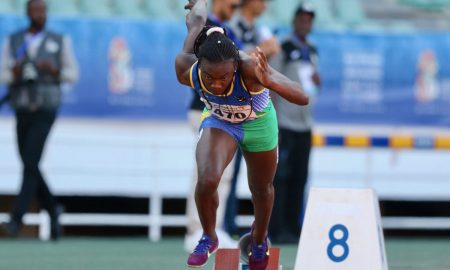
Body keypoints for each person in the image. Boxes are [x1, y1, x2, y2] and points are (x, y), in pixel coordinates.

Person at [176, 0, 308, 268]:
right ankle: (209, 236)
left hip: (258, 123)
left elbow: (302, 95)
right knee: (207, 179)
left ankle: (259, 240)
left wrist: (269, 81)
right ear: (199, 64)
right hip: (220, 121)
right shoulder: (186, 68)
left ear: (234, 66)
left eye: (223, 78)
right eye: (209, 77)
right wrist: (200, 3)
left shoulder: (249, 68)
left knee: (261, 188)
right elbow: (197, 21)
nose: (216, 83)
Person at [0, 0, 79, 240]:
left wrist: (53, 70)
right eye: (36, 10)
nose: (40, 15)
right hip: (22, 107)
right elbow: (3, 73)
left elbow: (72, 74)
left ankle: (15, 221)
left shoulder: (59, 40)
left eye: (43, 10)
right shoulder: (14, 40)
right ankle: (53, 209)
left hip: (46, 108)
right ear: (27, 13)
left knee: (30, 161)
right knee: (29, 163)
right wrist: (13, 72)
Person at [184, 0, 242, 252]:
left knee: (223, 174)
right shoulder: (207, 26)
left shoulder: (230, 29)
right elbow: (195, 27)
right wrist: (200, 10)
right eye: (233, 1)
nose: (237, 4)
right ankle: (196, 229)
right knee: (205, 171)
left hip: (225, 111)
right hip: (205, 109)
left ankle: (212, 228)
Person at [224, 0, 281, 237]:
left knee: (254, 175)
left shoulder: (256, 27)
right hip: (231, 105)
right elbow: (228, 60)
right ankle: (223, 226)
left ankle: (235, 225)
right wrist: (263, 50)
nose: (266, 6)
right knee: (227, 170)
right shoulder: (232, 26)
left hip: (253, 108)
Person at [269, 3, 321, 244]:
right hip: (285, 123)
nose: (305, 23)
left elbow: (311, 85)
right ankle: (277, 228)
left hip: (305, 124)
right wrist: (272, 120)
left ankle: (293, 226)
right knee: (280, 177)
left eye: (309, 20)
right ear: (294, 20)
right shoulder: (285, 47)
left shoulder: (311, 50)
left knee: (300, 177)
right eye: (301, 19)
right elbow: (273, 82)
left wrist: (318, 81)